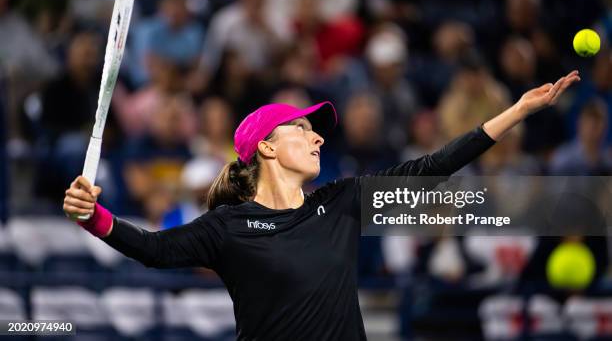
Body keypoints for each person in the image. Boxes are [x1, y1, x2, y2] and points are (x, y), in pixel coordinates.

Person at [63, 70, 579, 340]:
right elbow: (153, 249)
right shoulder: (228, 227)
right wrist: (93, 216)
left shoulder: (344, 202)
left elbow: (432, 168)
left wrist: (516, 111)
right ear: (265, 145)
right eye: (302, 129)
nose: (316, 140)